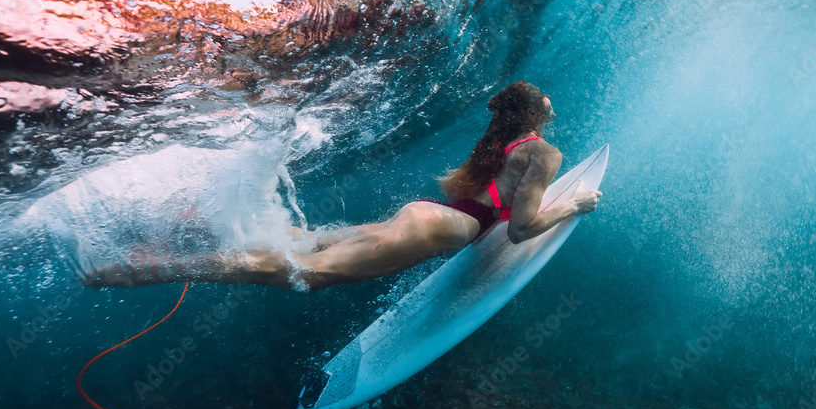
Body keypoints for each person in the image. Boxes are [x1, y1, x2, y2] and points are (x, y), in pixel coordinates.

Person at [86, 82, 601, 291]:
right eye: (546, 100)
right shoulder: (544, 152)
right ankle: (152, 268)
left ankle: (187, 227)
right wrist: (574, 205)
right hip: (436, 229)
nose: (554, 105)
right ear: (534, 114)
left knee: (304, 241)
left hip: (426, 213)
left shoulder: (499, 141)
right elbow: (519, 231)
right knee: (304, 273)